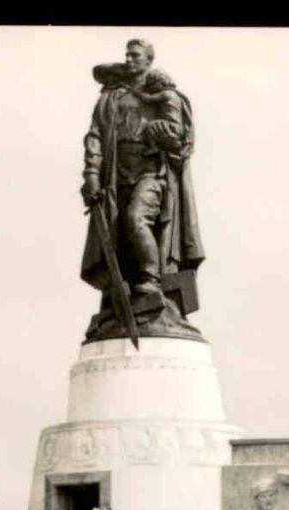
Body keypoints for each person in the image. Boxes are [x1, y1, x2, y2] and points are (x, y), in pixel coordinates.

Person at [80, 38, 204, 334]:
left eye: (135, 55)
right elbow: (95, 135)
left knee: (137, 218)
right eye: (127, 54)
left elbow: (180, 139)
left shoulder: (164, 95)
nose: (129, 59)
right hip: (114, 175)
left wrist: (166, 136)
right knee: (115, 233)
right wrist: (92, 175)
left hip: (151, 172)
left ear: (149, 60)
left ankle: (151, 283)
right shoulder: (112, 96)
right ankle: (121, 297)